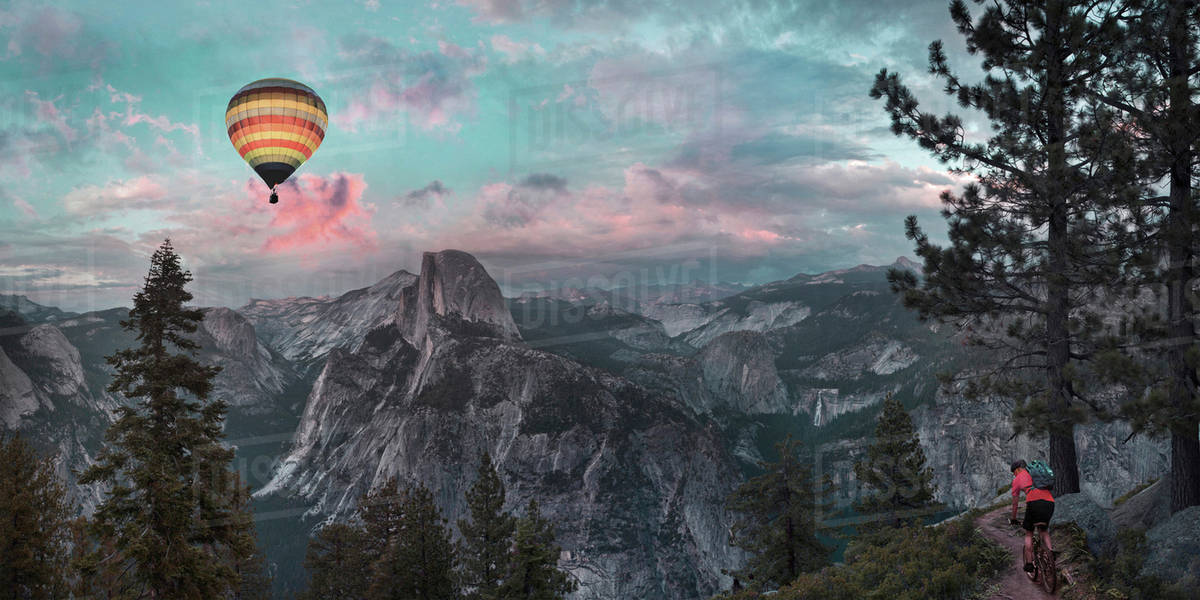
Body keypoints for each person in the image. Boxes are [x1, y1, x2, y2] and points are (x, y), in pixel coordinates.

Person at [1009, 459, 1054, 575]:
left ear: (1018, 469)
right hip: (1049, 502)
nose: (1014, 475)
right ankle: (1051, 554)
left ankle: (1029, 564)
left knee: (1029, 533)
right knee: (1044, 530)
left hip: (1034, 502)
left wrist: (1013, 518)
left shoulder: (1018, 479)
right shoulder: (1035, 473)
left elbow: (1015, 503)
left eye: (1014, 472)